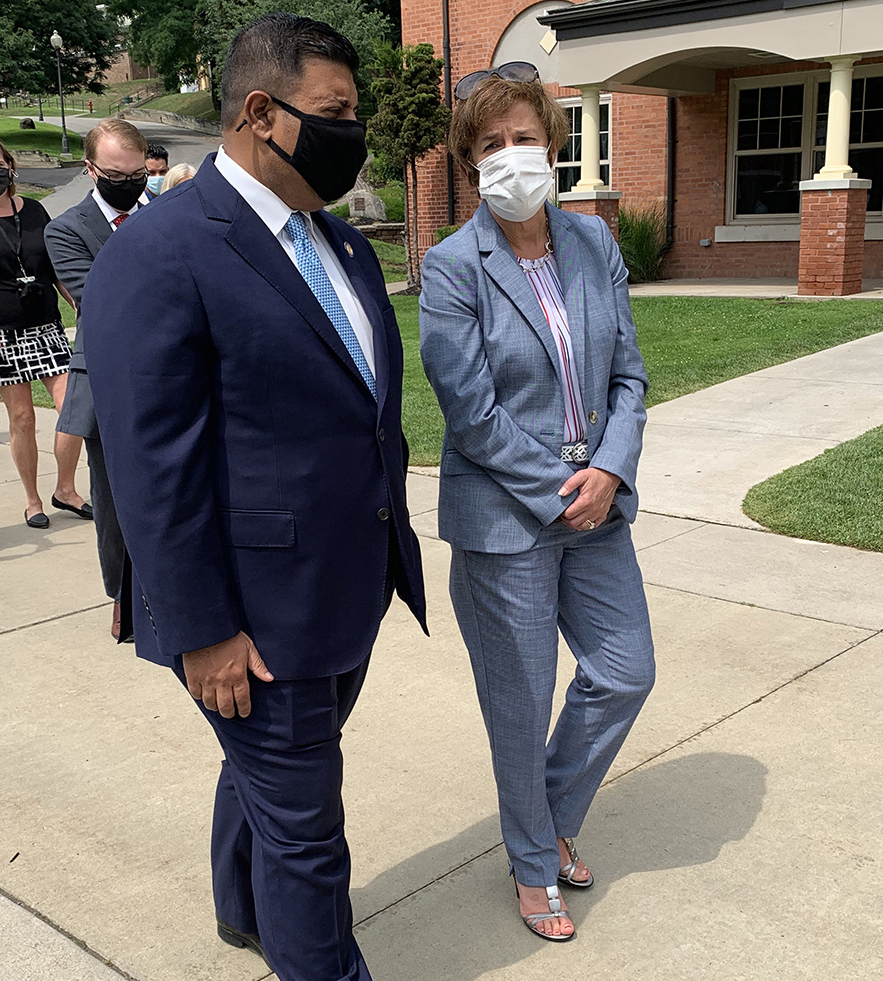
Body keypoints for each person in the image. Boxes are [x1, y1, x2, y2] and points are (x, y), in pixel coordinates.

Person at [81, 14, 427, 981]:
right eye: (337, 111)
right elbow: (150, 466)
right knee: (309, 835)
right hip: (248, 625)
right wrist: (204, 631)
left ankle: (242, 909)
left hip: (340, 595)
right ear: (261, 112)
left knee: (271, 790)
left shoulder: (344, 247)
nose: (354, 130)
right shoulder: (159, 253)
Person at [419, 69, 655, 942]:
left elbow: (629, 375)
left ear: (553, 146)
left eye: (525, 138)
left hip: (599, 506)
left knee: (626, 670)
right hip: (508, 519)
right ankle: (532, 861)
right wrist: (563, 493)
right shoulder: (451, 268)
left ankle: (544, 814)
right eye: (491, 145)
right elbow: (468, 408)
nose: (512, 156)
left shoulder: (594, 244)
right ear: (470, 163)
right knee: (520, 703)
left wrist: (612, 473)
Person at [45, 118, 150, 639]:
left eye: (136, 173)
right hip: (108, 380)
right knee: (113, 498)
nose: (128, 182)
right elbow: (99, 301)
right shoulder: (66, 229)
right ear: (90, 169)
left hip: (181, 375)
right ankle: (123, 596)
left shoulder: (173, 212)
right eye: (114, 173)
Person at [0, 136, 89, 528]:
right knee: (23, 416)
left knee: (71, 408)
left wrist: (74, 296)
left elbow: (53, 264)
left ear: (9, 166)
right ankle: (32, 499)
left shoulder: (35, 210)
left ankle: (66, 489)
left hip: (44, 324)